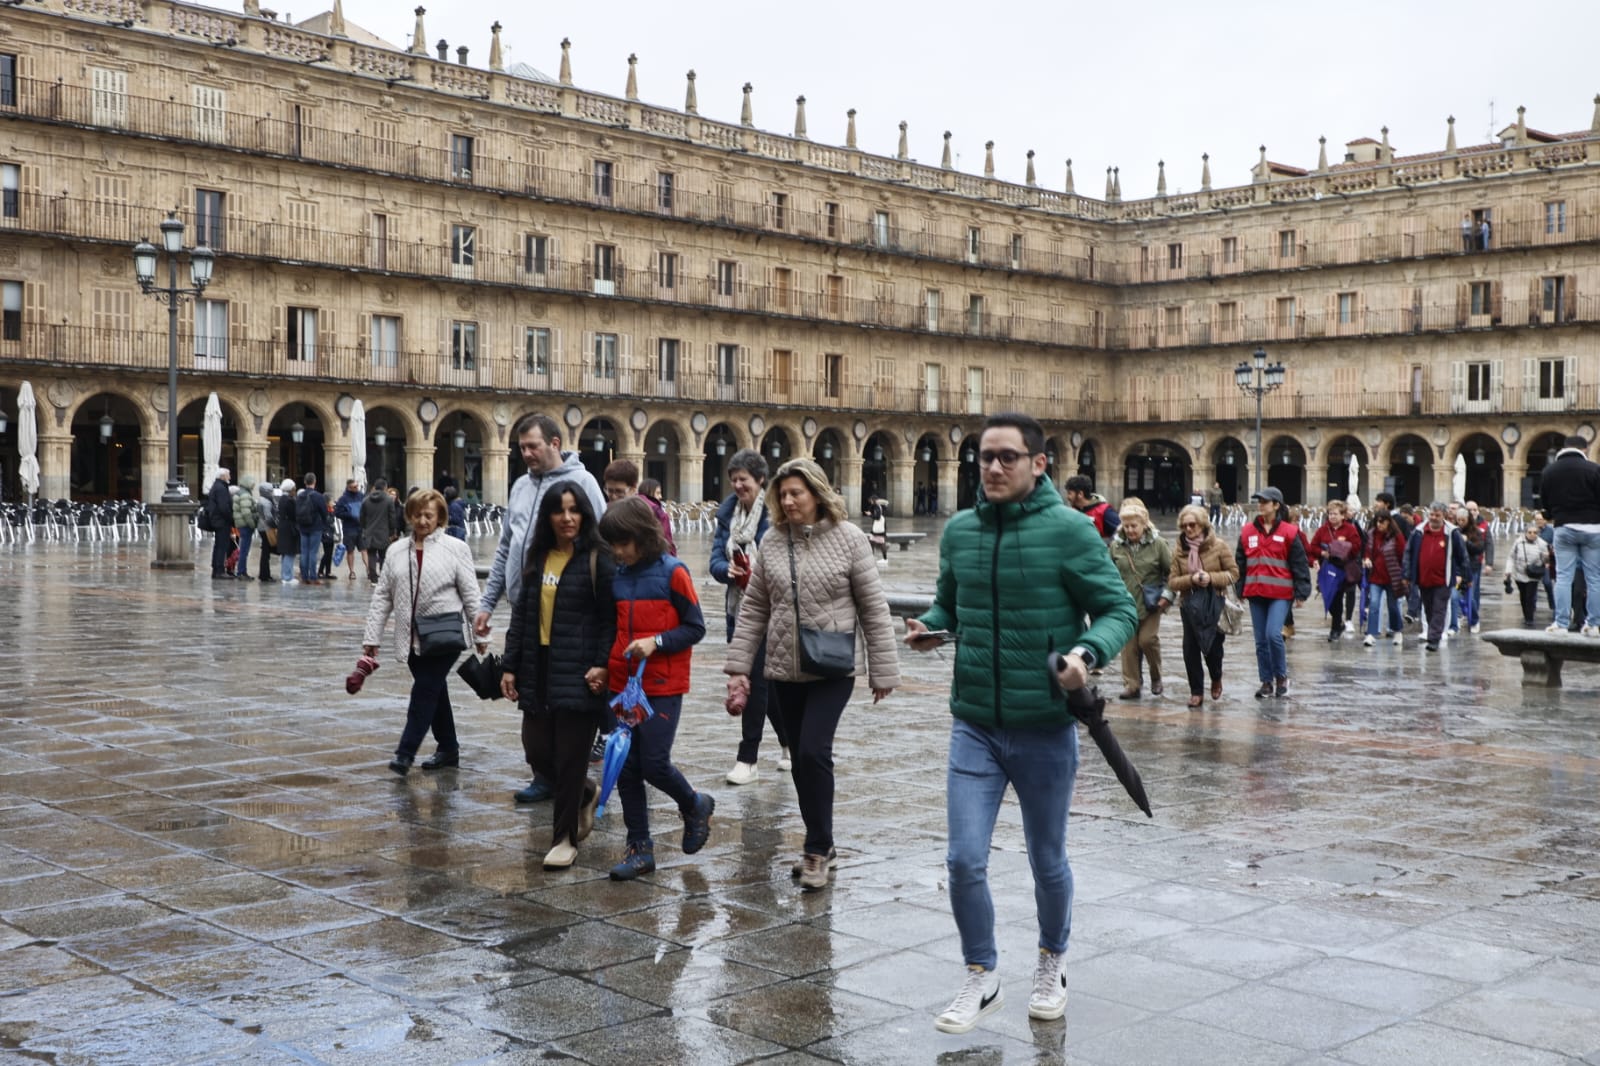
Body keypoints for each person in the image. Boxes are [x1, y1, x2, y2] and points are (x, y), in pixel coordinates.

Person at [905, 412, 1136, 1035]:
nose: (995, 467)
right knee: (962, 859)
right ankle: (981, 975)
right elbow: (950, 601)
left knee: (1047, 858)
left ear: (1040, 464)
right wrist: (929, 625)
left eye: (1009, 456)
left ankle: (1051, 961)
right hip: (974, 722)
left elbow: (1118, 608)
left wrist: (1086, 655)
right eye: (986, 456)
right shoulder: (958, 532)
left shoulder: (1070, 532)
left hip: (1043, 724)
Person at [725, 458, 899, 890]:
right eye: (782, 494)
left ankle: (816, 849)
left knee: (812, 752)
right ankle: (825, 842)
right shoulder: (772, 540)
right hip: (783, 667)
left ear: (817, 494)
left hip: (831, 667)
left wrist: (882, 670)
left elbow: (874, 609)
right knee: (801, 761)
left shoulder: (850, 540)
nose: (788, 501)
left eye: (796, 493)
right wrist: (738, 669)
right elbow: (754, 610)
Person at [477, 414, 608, 803]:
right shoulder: (519, 486)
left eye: (533, 446)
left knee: (566, 697)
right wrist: (488, 601)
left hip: (571, 611)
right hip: (527, 607)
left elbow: (601, 539)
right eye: (521, 448)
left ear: (555, 443)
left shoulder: (582, 483)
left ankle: (570, 775)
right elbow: (506, 547)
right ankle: (544, 775)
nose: (527, 454)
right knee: (531, 697)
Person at [500, 482, 615, 869]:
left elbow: (609, 621)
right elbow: (522, 615)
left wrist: (602, 663)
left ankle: (563, 839)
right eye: (559, 511)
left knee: (570, 757)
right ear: (547, 517)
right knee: (538, 751)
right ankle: (585, 793)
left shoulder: (599, 558)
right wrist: (510, 665)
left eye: (574, 510)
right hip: (539, 667)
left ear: (584, 514)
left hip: (581, 671)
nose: (567, 518)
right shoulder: (537, 558)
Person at [597, 497, 711, 882]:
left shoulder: (673, 573)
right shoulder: (616, 573)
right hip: (622, 687)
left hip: (661, 686)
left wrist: (656, 642)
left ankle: (694, 804)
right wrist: (602, 667)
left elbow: (695, 627)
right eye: (612, 544)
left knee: (654, 763)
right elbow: (610, 627)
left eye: (624, 543)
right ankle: (639, 848)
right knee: (626, 769)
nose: (618, 551)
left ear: (644, 536)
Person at [361, 488, 481, 774]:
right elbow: (383, 597)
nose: (422, 521)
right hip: (411, 636)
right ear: (409, 515)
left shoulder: (455, 548)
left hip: (444, 634)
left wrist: (481, 635)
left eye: (429, 515)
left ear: (440, 517)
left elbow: (471, 594)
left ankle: (405, 752)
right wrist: (371, 637)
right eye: (417, 515)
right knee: (435, 691)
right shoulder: (396, 550)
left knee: (424, 691)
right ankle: (449, 748)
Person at [708, 448, 790, 786]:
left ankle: (748, 758)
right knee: (764, 689)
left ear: (760, 479)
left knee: (754, 684)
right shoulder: (728, 516)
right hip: (738, 611)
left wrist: (758, 573)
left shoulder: (775, 516)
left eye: (743, 479)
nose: (738, 486)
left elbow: (785, 563)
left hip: (771, 613)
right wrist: (726, 569)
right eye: (734, 480)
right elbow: (714, 558)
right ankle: (789, 744)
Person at [1235, 487, 1311, 698]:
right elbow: (1240, 562)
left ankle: (1281, 677)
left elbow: (1299, 563)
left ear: (1276, 505)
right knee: (1260, 640)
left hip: (1280, 592)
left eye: (1265, 501)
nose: (1261, 505)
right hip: (1256, 591)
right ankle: (1266, 681)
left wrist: (1301, 592)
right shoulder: (1247, 531)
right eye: (1259, 501)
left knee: (1272, 635)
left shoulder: (1289, 532)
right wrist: (1239, 588)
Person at [1169, 504, 1238, 707]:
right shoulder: (1179, 549)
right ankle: (1196, 691)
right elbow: (1172, 581)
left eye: (1192, 525)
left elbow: (1234, 573)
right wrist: (1191, 579)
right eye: (1184, 526)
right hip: (1189, 603)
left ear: (1202, 525)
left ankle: (1216, 676)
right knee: (1190, 648)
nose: (1188, 529)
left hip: (1214, 602)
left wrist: (1211, 577)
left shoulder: (1218, 545)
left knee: (1213, 648)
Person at [1108, 498, 1172, 699]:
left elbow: (1172, 573)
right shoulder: (1116, 546)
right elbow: (1107, 572)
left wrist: (1167, 597)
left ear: (1144, 524)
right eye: (1126, 526)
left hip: (1151, 603)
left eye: (1134, 526)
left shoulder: (1159, 545)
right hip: (1125, 604)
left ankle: (1156, 676)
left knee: (1147, 640)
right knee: (1129, 647)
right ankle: (1132, 684)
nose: (1130, 530)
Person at [1537, 435, 1600, 636]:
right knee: (1594, 579)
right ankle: (1594, 624)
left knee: (1564, 577)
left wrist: (1553, 514)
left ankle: (1561, 623)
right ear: (1585, 449)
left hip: (1564, 527)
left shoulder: (1549, 471)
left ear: (1564, 448)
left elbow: (1544, 504)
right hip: (1593, 529)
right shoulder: (1594, 469)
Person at [1403, 502, 1471, 651]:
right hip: (1424, 578)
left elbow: (1462, 556)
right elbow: (1408, 552)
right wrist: (1406, 574)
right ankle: (1434, 631)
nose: (1433, 518)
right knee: (1429, 608)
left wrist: (1466, 577)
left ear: (1444, 516)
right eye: (1431, 515)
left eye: (1437, 515)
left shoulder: (1452, 532)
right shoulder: (1418, 531)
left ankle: (1433, 639)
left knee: (1440, 608)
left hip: (1443, 579)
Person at [1307, 499, 1365, 641]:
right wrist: (1322, 553)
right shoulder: (1323, 530)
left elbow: (1357, 546)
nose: (1332, 516)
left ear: (1343, 516)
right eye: (1330, 513)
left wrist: (1343, 549)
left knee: (1337, 596)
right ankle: (1338, 623)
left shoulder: (1350, 529)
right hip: (1328, 567)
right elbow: (1312, 546)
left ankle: (1334, 629)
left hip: (1343, 568)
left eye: (1335, 514)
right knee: (1329, 597)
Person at [603, 459, 675, 554]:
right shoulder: (605, 512)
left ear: (633, 489)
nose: (613, 496)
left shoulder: (653, 512)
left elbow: (668, 551)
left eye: (619, 492)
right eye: (609, 491)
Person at [1361, 511, 1408, 646]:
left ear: (1389, 522)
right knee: (1374, 604)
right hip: (1376, 576)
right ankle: (1371, 633)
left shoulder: (1397, 537)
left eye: (1382, 521)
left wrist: (1403, 574)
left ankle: (1397, 630)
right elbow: (1367, 551)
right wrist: (1367, 559)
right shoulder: (1371, 535)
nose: (1379, 524)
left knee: (1393, 606)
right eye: (1377, 521)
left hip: (1392, 577)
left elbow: (1402, 556)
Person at [1505, 525, 1553, 626]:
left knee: (1530, 596)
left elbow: (1546, 560)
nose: (1532, 535)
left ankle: (1530, 618)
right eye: (1530, 532)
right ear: (1526, 533)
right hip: (1520, 573)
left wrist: (1546, 558)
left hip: (1533, 574)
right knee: (1523, 595)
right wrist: (1508, 570)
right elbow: (1511, 557)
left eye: (1535, 532)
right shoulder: (1518, 542)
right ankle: (1526, 615)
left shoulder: (1542, 544)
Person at [1453, 510, 1487, 637]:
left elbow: (1479, 549)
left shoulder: (1476, 532)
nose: (1461, 523)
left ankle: (1474, 620)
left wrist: (1467, 542)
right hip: (1456, 567)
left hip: (1471, 567)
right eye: (1459, 520)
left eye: (1463, 520)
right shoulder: (1454, 530)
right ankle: (1455, 620)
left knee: (1470, 596)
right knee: (1455, 595)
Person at [1062, 474, 1119, 543]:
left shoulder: (1105, 511)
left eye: (1069, 493)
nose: (1067, 497)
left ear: (1080, 494)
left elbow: (1120, 534)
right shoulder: (1072, 512)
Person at [296, 472, 327, 586]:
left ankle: (304, 577)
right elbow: (324, 512)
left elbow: (296, 512)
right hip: (315, 527)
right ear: (314, 482)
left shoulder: (300, 496)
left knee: (304, 552)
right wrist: (324, 523)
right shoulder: (318, 496)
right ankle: (313, 576)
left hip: (303, 527)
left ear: (305, 482)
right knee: (313, 552)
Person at [360, 478, 395, 580]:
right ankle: (383, 577)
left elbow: (361, 517)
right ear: (385, 487)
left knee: (371, 555)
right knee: (383, 556)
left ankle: (373, 576)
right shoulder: (388, 500)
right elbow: (392, 517)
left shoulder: (366, 500)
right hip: (384, 532)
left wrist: (364, 528)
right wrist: (392, 531)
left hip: (370, 532)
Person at [206, 467, 233, 580]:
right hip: (222, 521)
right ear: (222, 476)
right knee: (222, 546)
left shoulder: (216, 486)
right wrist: (230, 518)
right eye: (228, 475)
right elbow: (223, 507)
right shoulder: (221, 488)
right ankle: (219, 570)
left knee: (218, 546)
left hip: (217, 520)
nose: (230, 477)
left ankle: (216, 569)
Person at [334, 479, 364, 577]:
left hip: (361, 527)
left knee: (364, 549)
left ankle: (369, 570)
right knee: (350, 550)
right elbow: (337, 512)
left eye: (357, 486)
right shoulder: (343, 499)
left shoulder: (361, 496)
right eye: (355, 487)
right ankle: (352, 571)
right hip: (349, 528)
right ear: (349, 488)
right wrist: (350, 514)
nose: (357, 488)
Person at [232, 473, 259, 580]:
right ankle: (241, 572)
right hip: (245, 525)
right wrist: (252, 524)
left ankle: (242, 571)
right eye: (252, 483)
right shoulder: (245, 495)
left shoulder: (240, 493)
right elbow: (246, 513)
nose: (253, 485)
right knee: (244, 550)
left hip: (241, 524)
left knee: (243, 549)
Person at [276, 477, 300, 586]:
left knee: (286, 553)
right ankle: (287, 576)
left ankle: (286, 575)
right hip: (289, 529)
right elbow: (294, 515)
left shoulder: (282, 499)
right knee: (289, 552)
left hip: (283, 527)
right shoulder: (289, 501)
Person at [254, 479, 277, 582]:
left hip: (261, 527)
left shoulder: (260, 500)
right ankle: (265, 575)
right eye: (271, 490)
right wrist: (275, 525)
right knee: (266, 552)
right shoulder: (266, 502)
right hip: (266, 528)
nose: (272, 492)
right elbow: (268, 517)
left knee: (265, 551)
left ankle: (264, 573)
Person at [867, 497, 889, 561]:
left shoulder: (877, 507)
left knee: (880, 543)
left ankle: (885, 558)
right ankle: (873, 557)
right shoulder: (879, 506)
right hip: (880, 527)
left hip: (878, 529)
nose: (870, 502)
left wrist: (870, 515)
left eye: (871, 500)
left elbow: (877, 517)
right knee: (872, 542)